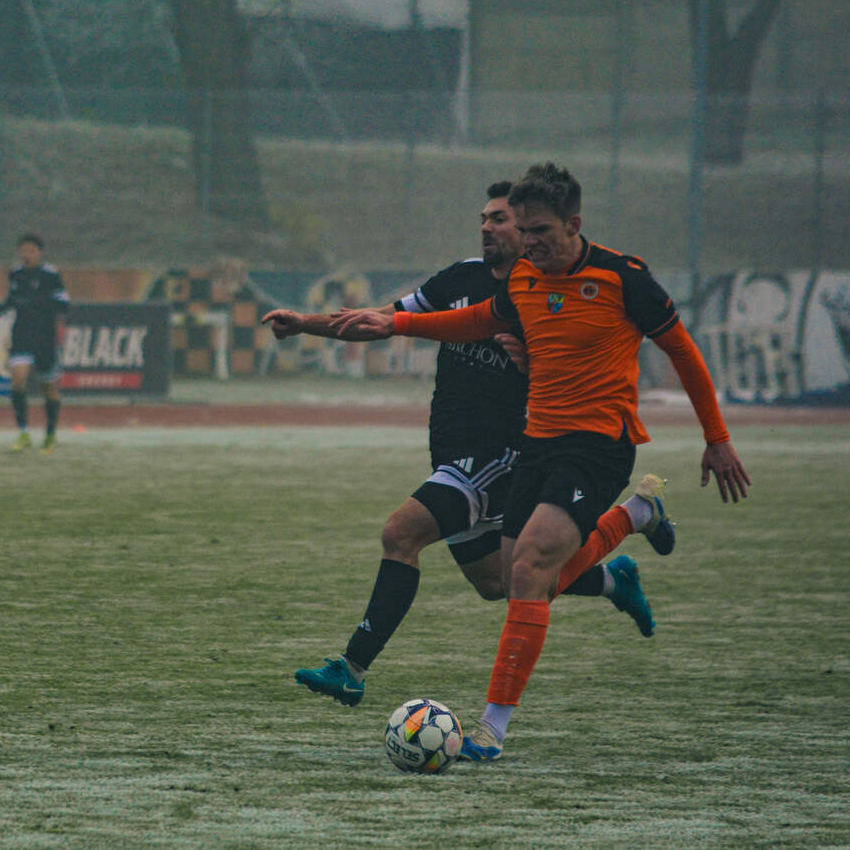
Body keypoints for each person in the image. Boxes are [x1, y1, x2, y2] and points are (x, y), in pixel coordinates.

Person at [331, 162, 750, 760]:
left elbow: (682, 352)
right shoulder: (525, 275)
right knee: (519, 583)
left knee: (528, 571)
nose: (530, 243)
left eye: (541, 232)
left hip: (599, 446)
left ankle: (490, 731)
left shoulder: (623, 278)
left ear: (574, 224)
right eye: (524, 231)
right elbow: (480, 319)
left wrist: (717, 437)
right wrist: (395, 324)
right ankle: (636, 516)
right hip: (537, 443)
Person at [261, 181, 675, 708]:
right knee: (498, 583)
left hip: (498, 456)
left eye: (500, 219)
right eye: (484, 218)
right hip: (452, 456)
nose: (487, 227)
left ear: (528, 231)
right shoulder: (459, 278)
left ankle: (352, 668)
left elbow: (577, 377)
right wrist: (306, 325)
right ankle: (616, 572)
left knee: (400, 533)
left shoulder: (544, 295)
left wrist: (529, 364)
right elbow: (381, 321)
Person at [0, 233, 70, 453]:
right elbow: (13, 298)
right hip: (22, 335)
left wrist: (40, 304)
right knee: (18, 380)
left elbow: (63, 304)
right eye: (24, 250)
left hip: (44, 337)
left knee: (49, 389)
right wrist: (2, 308)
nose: (27, 254)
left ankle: (50, 434)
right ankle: (23, 433)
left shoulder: (50, 275)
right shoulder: (16, 275)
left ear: (40, 253)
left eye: (32, 251)